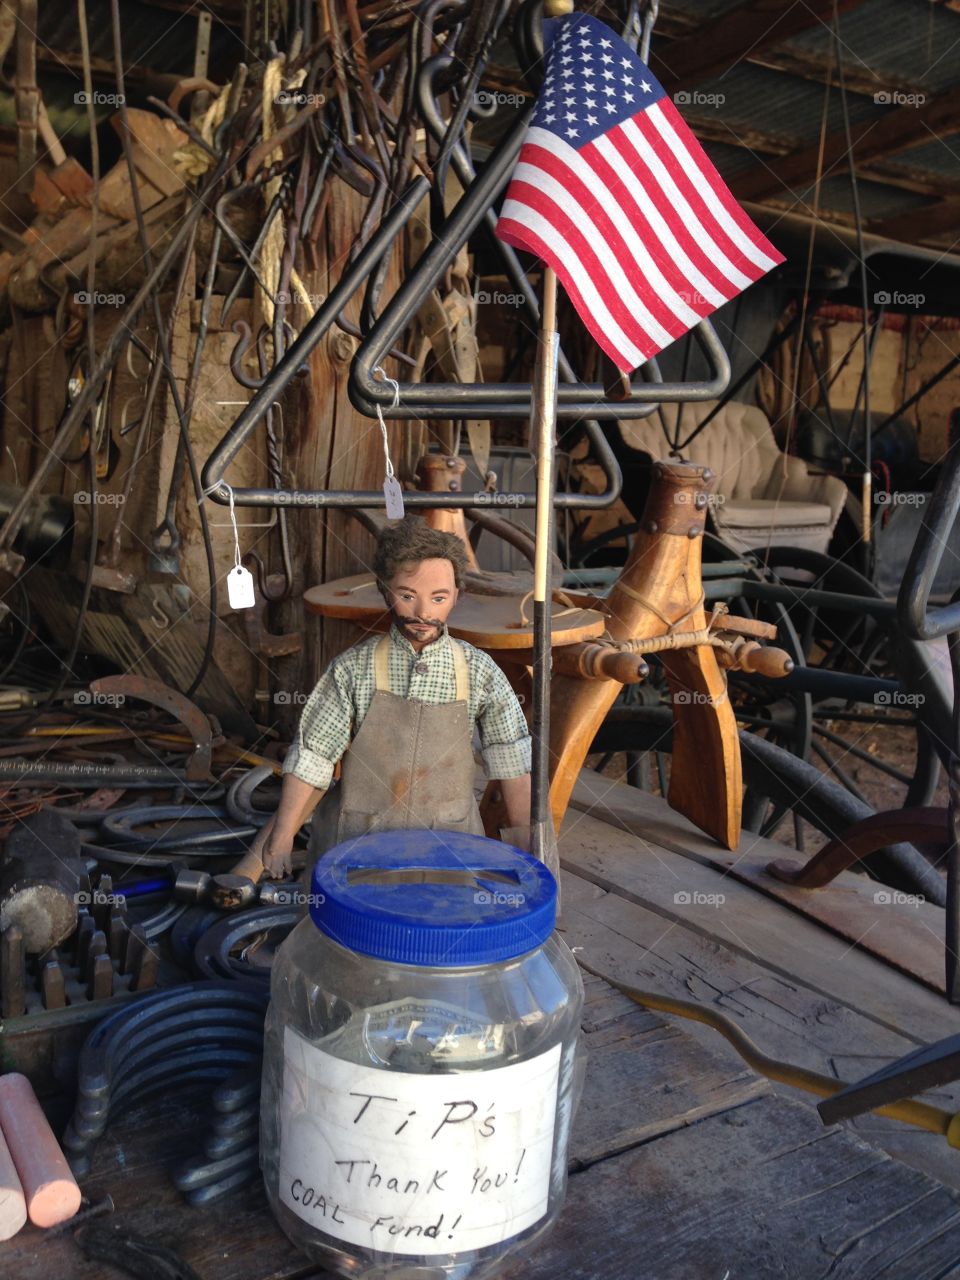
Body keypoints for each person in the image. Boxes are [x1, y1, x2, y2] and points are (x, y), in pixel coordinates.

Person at [255, 515, 532, 880]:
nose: (423, 613)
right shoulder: (353, 668)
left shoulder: (479, 671)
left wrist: (528, 844)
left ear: (456, 596)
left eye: (439, 598)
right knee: (348, 932)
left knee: (441, 929)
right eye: (407, 596)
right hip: (356, 844)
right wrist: (282, 837)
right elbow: (313, 758)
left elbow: (510, 758)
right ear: (385, 591)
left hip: (449, 848)